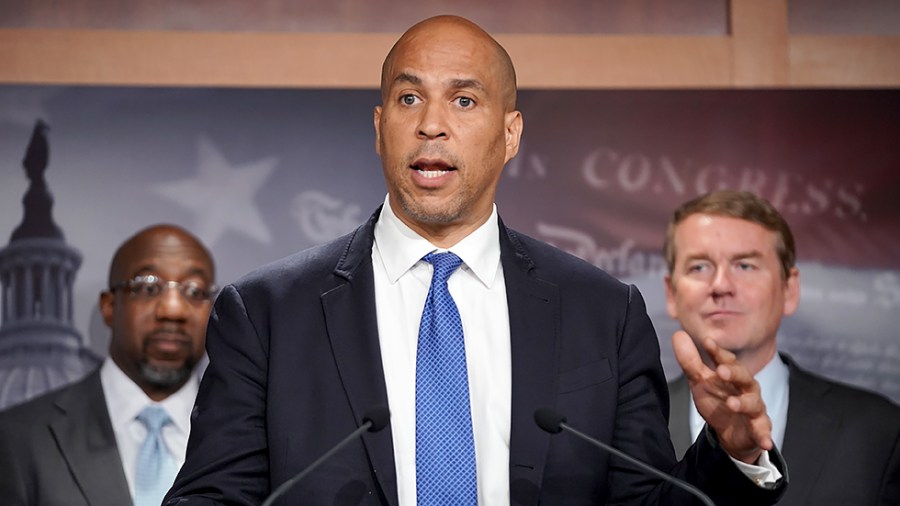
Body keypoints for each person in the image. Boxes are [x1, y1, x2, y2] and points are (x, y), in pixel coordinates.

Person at [165, 15, 787, 505]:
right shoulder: (267, 313)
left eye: (464, 101)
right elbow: (212, 497)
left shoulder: (603, 313)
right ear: (380, 128)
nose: (431, 124)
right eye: (409, 100)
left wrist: (728, 457)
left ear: (511, 134)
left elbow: (648, 501)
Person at [664, 190, 900, 505]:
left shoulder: (880, 430)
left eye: (745, 265)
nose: (720, 285)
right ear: (671, 294)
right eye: (699, 267)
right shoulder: (630, 425)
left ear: (789, 289)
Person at [0, 224, 217, 506]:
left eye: (195, 291)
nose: (173, 310)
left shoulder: (254, 437)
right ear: (109, 306)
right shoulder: (17, 438)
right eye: (149, 286)